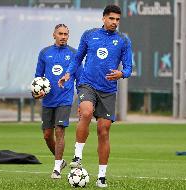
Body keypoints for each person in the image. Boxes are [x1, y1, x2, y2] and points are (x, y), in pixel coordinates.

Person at [58, 4, 132, 188]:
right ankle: (77, 156)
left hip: (108, 90)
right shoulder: (89, 35)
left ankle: (101, 176)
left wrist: (121, 74)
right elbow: (77, 59)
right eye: (111, 19)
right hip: (87, 84)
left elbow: (129, 68)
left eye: (117, 20)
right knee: (86, 111)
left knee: (103, 131)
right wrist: (68, 74)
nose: (115, 22)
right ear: (103, 18)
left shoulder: (123, 41)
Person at [33, 24, 81, 179]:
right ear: (54, 35)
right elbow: (37, 78)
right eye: (60, 34)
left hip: (65, 99)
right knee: (47, 135)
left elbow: (80, 80)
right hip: (48, 100)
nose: (63, 37)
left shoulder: (74, 54)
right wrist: (36, 93)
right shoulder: (45, 53)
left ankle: (56, 169)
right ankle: (60, 161)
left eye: (66, 34)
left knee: (59, 130)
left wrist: (82, 101)